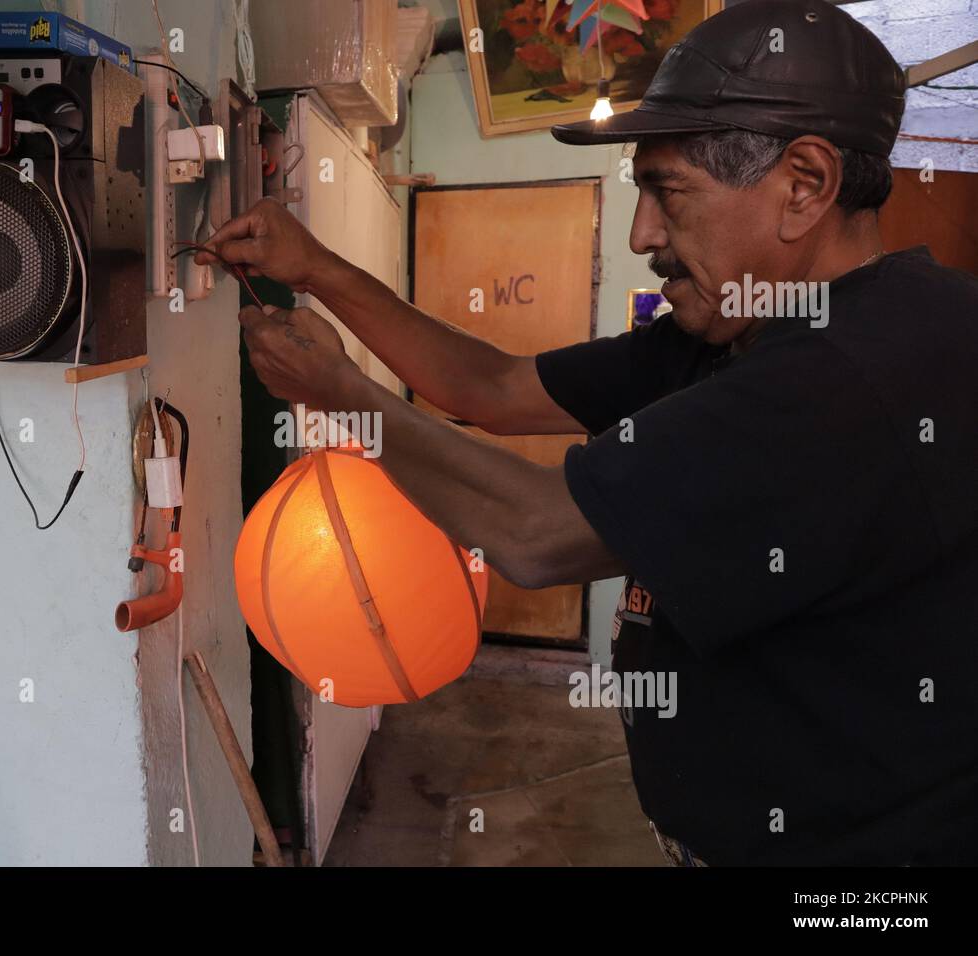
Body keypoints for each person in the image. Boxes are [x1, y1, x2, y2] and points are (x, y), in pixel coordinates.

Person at [197, 0, 978, 865]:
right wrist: (314, 267)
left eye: (668, 192)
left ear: (804, 184)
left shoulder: (863, 368)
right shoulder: (736, 324)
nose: (646, 234)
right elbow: (489, 387)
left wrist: (338, 394)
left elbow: (534, 534)